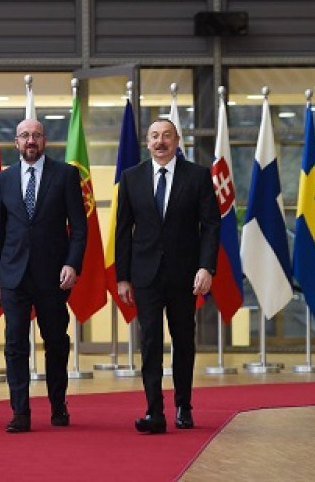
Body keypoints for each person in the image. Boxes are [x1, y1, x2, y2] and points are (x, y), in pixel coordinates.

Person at [115, 118, 220, 434]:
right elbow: (123, 231)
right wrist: (123, 277)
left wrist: (206, 267)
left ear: (176, 141)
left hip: (184, 274)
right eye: (154, 136)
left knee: (183, 340)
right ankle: (154, 411)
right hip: (145, 275)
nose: (160, 141)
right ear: (147, 142)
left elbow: (211, 226)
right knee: (149, 342)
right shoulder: (131, 178)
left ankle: (184, 406)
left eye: (166, 136)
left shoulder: (198, 176)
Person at [0, 118, 87, 433]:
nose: (30, 140)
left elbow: (79, 227)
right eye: (24, 135)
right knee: (15, 344)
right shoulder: (3, 179)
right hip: (13, 276)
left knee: (56, 342)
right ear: (16, 142)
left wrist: (72, 264)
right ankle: (20, 412)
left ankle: (58, 405)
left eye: (36, 135)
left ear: (44, 140)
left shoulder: (66, 175)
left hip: (53, 275)